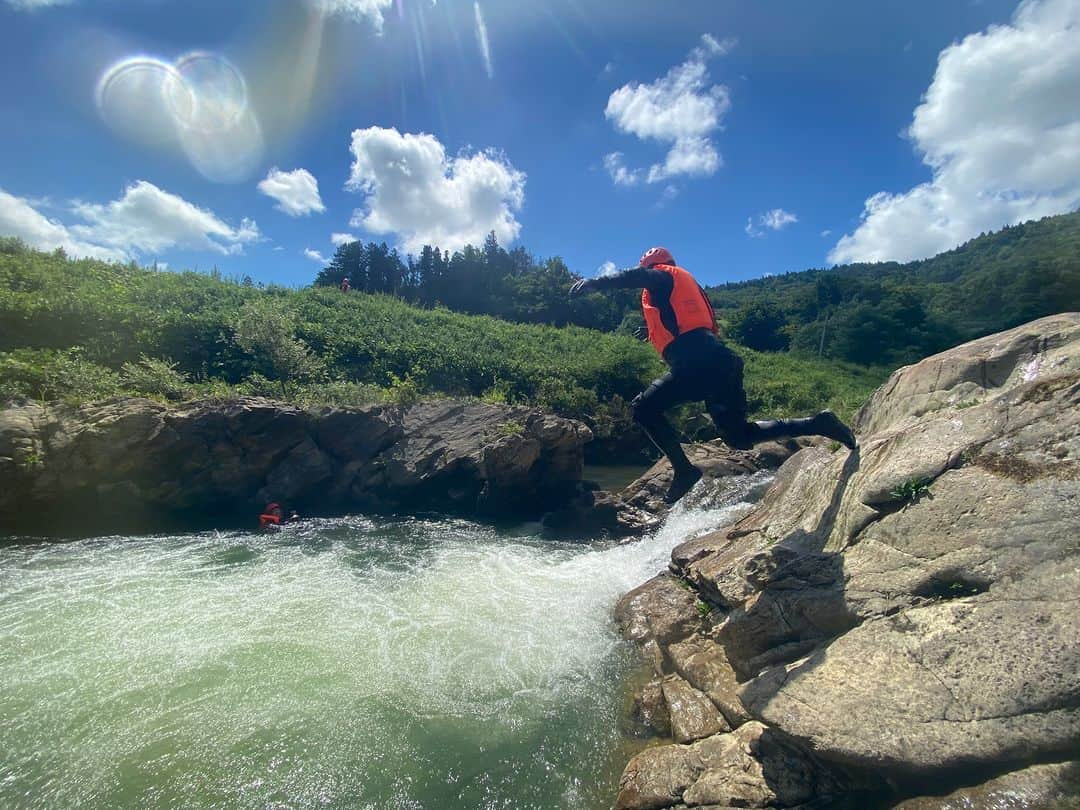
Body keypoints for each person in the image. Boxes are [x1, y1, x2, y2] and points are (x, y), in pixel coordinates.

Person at [570, 246, 856, 504]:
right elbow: (684, 321)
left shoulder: (659, 275)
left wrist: (596, 283)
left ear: (651, 266)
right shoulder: (679, 283)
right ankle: (818, 423)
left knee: (643, 408)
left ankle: (684, 471)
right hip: (719, 362)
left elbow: (636, 279)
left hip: (697, 362)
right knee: (739, 437)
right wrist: (652, 331)